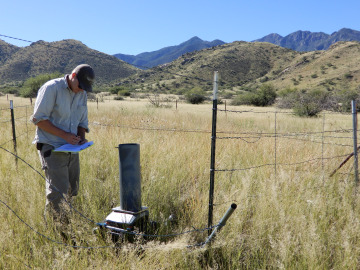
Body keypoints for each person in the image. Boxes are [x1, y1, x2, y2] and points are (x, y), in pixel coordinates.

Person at [30, 64, 95, 224]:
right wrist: (65, 136)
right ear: (73, 76)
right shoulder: (52, 88)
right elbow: (38, 119)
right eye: (80, 86)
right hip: (51, 146)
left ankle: (65, 223)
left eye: (85, 88)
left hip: (72, 148)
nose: (82, 90)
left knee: (71, 189)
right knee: (58, 192)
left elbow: (82, 120)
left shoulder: (82, 93)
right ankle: (57, 231)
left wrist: (80, 138)